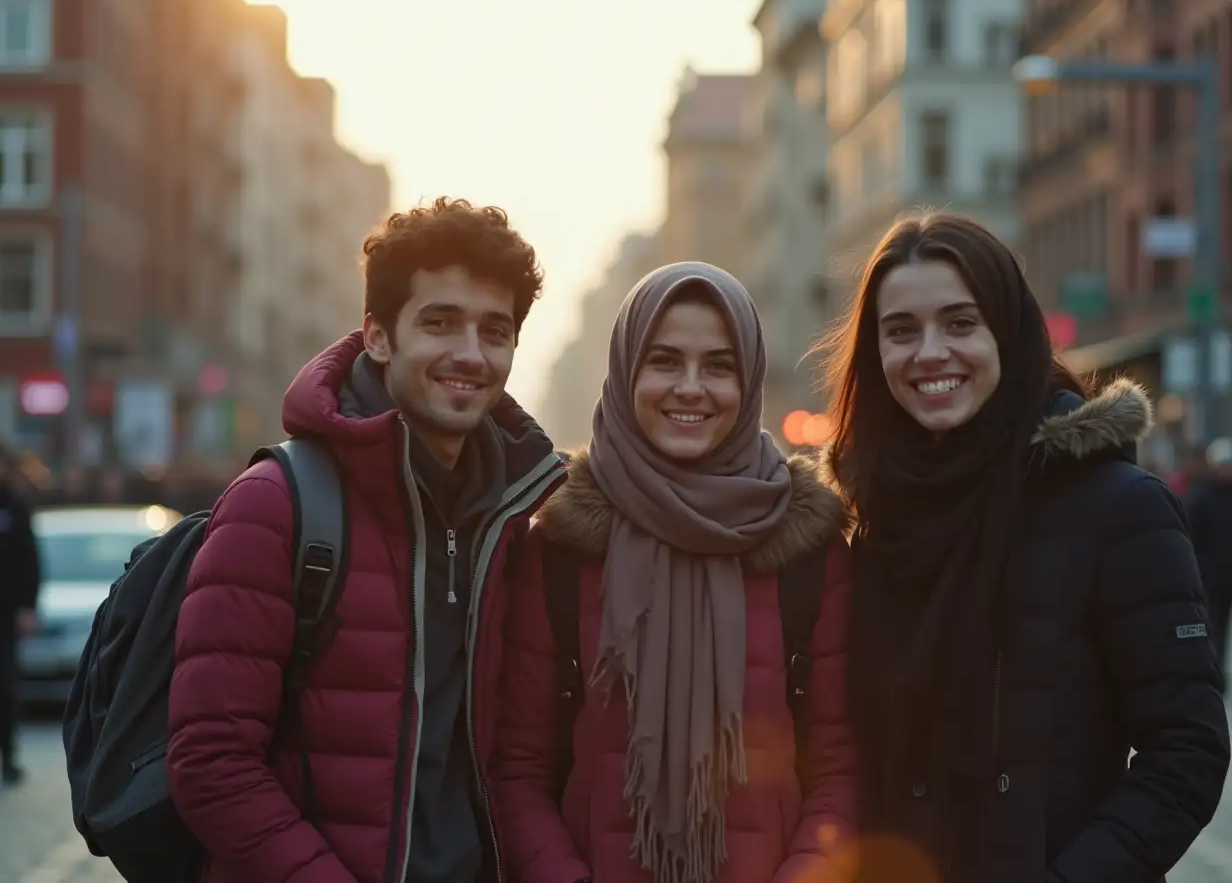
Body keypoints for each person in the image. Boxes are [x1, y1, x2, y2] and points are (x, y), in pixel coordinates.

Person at [166, 198, 566, 883]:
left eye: (494, 331)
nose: (469, 355)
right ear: (379, 337)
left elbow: (514, 763)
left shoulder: (512, 524)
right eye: (440, 322)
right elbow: (211, 762)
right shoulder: (279, 503)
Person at [821, 213, 1230, 882]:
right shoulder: (863, 525)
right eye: (901, 331)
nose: (930, 352)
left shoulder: (1118, 508)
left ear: (1007, 334)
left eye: (960, 323)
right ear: (876, 356)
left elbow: (1187, 752)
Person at [491, 263, 858, 883]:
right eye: (664, 361)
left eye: (718, 366)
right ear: (625, 370)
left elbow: (840, 769)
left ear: (749, 381)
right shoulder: (557, 549)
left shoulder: (810, 553)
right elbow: (517, 768)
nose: (691, 387)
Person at [0, 442, 40, 786]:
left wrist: (28, 606)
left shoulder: (14, 507)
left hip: (6, 613)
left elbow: (29, 560)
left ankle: (7, 757)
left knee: (5, 687)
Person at [1189, 436, 1232, 687]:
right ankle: (1216, 676)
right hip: (1214, 580)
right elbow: (1194, 541)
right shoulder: (1202, 498)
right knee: (1215, 629)